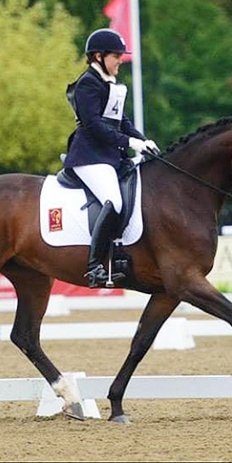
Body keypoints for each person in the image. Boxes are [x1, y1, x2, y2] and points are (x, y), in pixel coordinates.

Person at [62, 28, 160, 288]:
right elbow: (93, 125)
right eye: (116, 56)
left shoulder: (110, 84)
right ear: (98, 56)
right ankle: (94, 266)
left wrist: (143, 140)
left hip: (109, 156)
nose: (120, 60)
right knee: (114, 202)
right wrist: (130, 142)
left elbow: (121, 121)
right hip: (88, 157)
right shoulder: (88, 83)